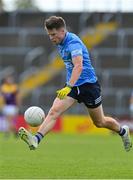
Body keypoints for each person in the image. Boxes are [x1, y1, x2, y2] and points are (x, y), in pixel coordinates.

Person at [18, 16, 132, 151]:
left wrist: (69, 87)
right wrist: (70, 86)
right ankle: (36, 139)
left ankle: (123, 132)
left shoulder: (73, 43)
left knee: (100, 122)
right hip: (72, 87)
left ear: (62, 31)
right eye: (49, 35)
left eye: (53, 34)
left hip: (89, 86)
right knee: (54, 111)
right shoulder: (60, 42)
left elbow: (79, 66)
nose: (51, 38)